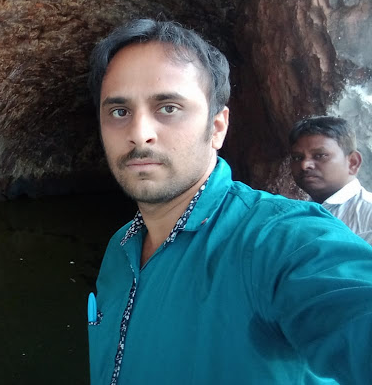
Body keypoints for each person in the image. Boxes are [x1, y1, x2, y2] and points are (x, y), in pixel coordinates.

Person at [86, 19, 372, 385]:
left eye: (169, 107)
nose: (140, 133)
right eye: (119, 112)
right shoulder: (119, 248)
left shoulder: (280, 240)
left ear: (217, 127)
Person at [289, 116, 372, 244]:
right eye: (297, 157)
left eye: (320, 155)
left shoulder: (368, 214)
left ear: (353, 162)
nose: (305, 165)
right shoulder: (294, 214)